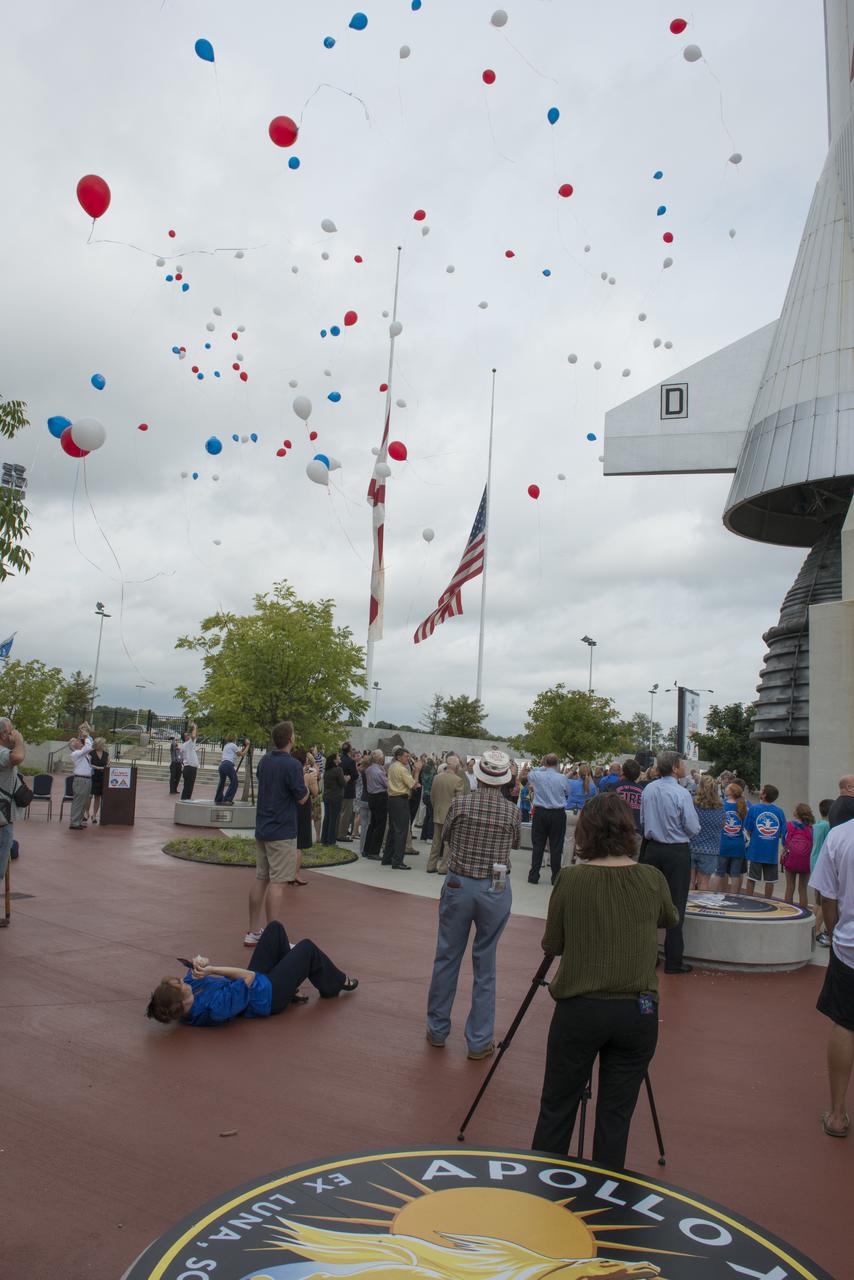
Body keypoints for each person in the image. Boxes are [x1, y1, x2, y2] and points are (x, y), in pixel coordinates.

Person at [532, 792, 678, 1168]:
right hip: (638, 1010)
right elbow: (669, 918)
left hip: (581, 1009)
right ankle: (605, 1196)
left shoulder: (572, 879)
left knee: (558, 1105)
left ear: (585, 832)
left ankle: (542, 1189)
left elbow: (553, 943)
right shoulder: (651, 878)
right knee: (616, 1115)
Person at [426, 750, 520, 1058]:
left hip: (459, 882)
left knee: (447, 956)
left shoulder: (460, 804)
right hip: (494, 888)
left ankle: (437, 1029)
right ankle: (479, 1041)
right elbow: (515, 843)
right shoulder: (512, 812)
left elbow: (447, 836)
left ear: (477, 775)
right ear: (505, 780)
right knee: (485, 963)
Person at [145, 922, 358, 1026]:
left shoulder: (187, 998)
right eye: (183, 986)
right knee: (307, 948)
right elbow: (248, 977)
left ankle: (291, 987)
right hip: (269, 996)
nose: (185, 982)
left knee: (274, 928)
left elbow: (192, 975)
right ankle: (333, 984)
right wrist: (213, 969)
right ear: (184, 1003)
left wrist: (201, 963)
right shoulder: (214, 1009)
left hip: (259, 985)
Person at [809, 816, 854, 1138]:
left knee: (846, 1022)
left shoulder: (840, 836)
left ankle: (837, 1114)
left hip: (850, 945)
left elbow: (828, 896)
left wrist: (836, 928)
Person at [246, 721, 310, 947]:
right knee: (278, 882)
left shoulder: (265, 761)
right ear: (290, 739)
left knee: (261, 878)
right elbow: (302, 797)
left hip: (263, 827)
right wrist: (308, 783)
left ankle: (253, 930)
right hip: (282, 830)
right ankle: (273, 939)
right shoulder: (292, 765)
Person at [639, 750, 701, 974]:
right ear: (675, 768)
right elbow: (692, 827)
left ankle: (649, 954)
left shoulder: (649, 789)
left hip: (652, 848)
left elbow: (643, 820)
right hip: (676, 850)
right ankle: (674, 959)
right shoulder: (681, 793)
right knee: (676, 904)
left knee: (649, 902)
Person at [527, 754, 573, 885]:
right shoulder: (562, 778)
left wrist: (542, 766)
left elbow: (530, 774)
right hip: (557, 813)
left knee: (538, 844)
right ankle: (555, 877)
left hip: (540, 812)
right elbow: (567, 792)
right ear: (557, 763)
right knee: (556, 846)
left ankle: (534, 875)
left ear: (544, 762)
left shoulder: (537, 774)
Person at [0, 717, 26, 911]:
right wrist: (19, 741)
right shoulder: (2, 752)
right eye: (10, 732)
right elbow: (17, 757)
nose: (12, 734)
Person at [744, 784, 787, 899]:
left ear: (764, 794)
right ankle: (768, 901)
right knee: (770, 880)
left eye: (761, 791)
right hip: (771, 851)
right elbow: (783, 832)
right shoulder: (779, 812)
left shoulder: (754, 809)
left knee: (752, 878)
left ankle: (748, 900)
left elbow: (747, 827)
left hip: (755, 850)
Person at [382, 746, 422, 870]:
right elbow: (414, 785)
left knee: (393, 830)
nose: (408, 758)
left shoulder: (393, 766)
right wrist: (417, 771)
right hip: (400, 799)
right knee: (401, 831)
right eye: (406, 756)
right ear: (399, 756)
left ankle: (387, 858)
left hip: (392, 799)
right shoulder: (402, 769)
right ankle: (397, 861)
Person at [426, 753, 466, 874]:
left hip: (437, 813)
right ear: (457, 766)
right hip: (450, 816)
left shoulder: (437, 777)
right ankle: (443, 868)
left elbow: (432, 797)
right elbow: (459, 801)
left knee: (436, 841)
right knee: (448, 843)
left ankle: (430, 865)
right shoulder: (458, 780)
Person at [689, 774, 724, 891]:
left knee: (689, 881)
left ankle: (688, 907)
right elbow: (722, 825)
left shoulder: (693, 804)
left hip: (691, 846)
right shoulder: (720, 807)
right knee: (704, 883)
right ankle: (700, 906)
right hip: (710, 849)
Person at [713, 782, 748, 893]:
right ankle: (734, 896)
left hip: (723, 843)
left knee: (719, 872)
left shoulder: (722, 805)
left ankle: (713, 894)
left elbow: (717, 824)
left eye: (727, 787)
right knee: (735, 873)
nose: (725, 788)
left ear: (731, 792)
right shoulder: (743, 807)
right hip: (738, 844)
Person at [291, 747, 319, 885]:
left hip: (289, 808)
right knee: (299, 844)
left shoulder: (290, 773)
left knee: (289, 842)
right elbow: (316, 792)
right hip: (302, 808)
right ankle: (295, 874)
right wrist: (311, 781)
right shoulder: (307, 776)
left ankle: (286, 872)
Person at [783, 803, 815, 908]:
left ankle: (788, 911)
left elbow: (784, 841)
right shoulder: (811, 828)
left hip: (791, 859)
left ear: (796, 813)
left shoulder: (789, 825)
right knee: (802, 889)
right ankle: (804, 913)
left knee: (789, 887)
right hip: (805, 861)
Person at [812, 799, 834, 945]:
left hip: (814, 863)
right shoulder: (828, 826)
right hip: (823, 865)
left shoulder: (816, 825)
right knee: (823, 901)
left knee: (817, 900)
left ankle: (813, 927)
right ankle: (817, 930)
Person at [363, 750, 389, 860]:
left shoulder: (369, 769)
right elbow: (387, 784)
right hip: (380, 797)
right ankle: (374, 851)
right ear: (379, 758)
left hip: (371, 797)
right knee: (380, 825)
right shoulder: (378, 771)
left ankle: (367, 849)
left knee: (372, 824)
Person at [614, 759, 643, 850]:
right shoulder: (642, 790)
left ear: (623, 771)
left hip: (616, 831)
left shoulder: (613, 787)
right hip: (635, 831)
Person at [214, 735, 249, 806]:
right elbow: (242, 754)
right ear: (234, 739)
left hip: (222, 765)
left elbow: (237, 754)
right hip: (228, 764)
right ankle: (227, 799)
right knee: (234, 782)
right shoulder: (233, 745)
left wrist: (243, 748)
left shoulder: (226, 746)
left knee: (222, 782)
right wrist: (248, 745)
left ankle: (218, 798)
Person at [320, 752, 346, 846]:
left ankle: (324, 839)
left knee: (327, 817)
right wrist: (346, 779)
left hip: (327, 796)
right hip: (336, 796)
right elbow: (343, 783)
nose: (340, 757)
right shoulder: (338, 770)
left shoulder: (327, 770)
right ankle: (331, 841)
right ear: (334, 760)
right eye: (338, 756)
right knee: (334, 818)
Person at [68, 735, 93, 830]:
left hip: (87, 779)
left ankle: (79, 820)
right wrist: (86, 737)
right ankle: (74, 822)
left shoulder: (84, 754)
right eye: (76, 741)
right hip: (81, 779)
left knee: (84, 801)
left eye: (78, 740)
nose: (77, 742)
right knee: (78, 801)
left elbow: (89, 744)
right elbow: (88, 746)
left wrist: (87, 735)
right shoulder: (76, 753)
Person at [337, 742, 358, 841]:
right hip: (348, 790)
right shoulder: (350, 761)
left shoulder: (339, 759)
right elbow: (355, 775)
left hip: (338, 789)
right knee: (346, 814)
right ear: (350, 750)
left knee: (339, 812)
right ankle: (342, 835)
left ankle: (337, 832)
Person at [88, 737, 110, 824]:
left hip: (102, 777)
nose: (104, 745)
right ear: (99, 744)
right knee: (89, 796)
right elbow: (88, 764)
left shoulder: (106, 754)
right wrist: (97, 767)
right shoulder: (91, 753)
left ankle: (94, 815)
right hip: (92, 776)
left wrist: (107, 765)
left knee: (98, 797)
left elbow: (108, 763)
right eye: (103, 744)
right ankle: (86, 813)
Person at [420, 755, 437, 842]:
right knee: (431, 816)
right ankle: (430, 837)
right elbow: (433, 783)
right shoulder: (432, 773)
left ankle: (423, 836)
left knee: (427, 815)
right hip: (430, 796)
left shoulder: (424, 772)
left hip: (425, 795)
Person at [179, 725, 199, 800]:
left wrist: (195, 728)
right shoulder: (188, 744)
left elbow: (195, 735)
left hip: (189, 768)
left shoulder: (189, 744)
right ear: (185, 737)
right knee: (188, 788)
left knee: (188, 787)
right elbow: (194, 736)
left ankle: (185, 801)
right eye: (188, 735)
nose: (189, 735)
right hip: (190, 768)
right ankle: (185, 801)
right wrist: (194, 727)